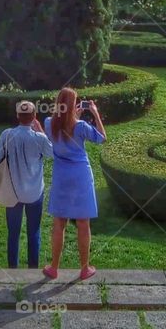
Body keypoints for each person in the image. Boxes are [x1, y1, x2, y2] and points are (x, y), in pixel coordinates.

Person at [43, 87, 106, 281]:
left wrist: (74, 116)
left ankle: (53, 268)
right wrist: (94, 113)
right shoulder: (81, 126)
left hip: (61, 175)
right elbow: (102, 137)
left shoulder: (48, 123)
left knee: (59, 222)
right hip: (80, 176)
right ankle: (85, 268)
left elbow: (61, 128)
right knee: (83, 222)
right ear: (73, 105)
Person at [0, 100, 53, 269]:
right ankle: (33, 269)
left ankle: (13, 269)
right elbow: (52, 153)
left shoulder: (7, 135)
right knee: (34, 232)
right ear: (34, 117)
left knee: (13, 233)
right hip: (35, 193)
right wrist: (41, 131)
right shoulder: (39, 138)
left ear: (18, 116)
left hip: (13, 192)